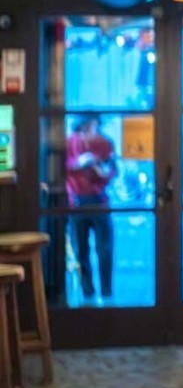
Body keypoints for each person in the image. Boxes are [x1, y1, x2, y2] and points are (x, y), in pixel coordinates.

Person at [65, 114, 117, 300]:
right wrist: (79, 163)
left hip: (100, 201)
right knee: (80, 249)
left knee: (105, 248)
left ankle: (107, 290)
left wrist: (99, 168)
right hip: (77, 202)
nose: (90, 132)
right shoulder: (69, 142)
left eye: (94, 127)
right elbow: (62, 167)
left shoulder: (105, 143)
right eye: (86, 128)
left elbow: (112, 170)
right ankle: (88, 291)